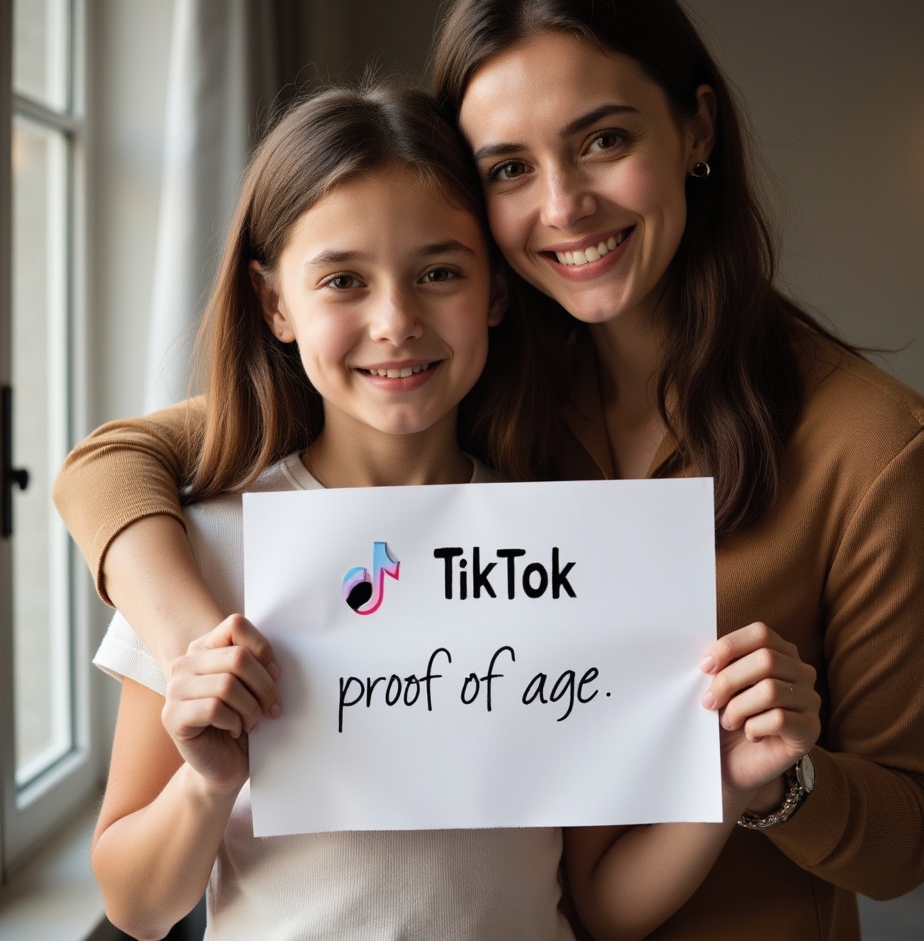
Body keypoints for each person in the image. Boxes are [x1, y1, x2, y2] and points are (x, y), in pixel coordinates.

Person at [53, 0, 924, 941]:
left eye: (604, 138)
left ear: (696, 124)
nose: (564, 206)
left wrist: (775, 781)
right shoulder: (467, 383)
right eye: (508, 169)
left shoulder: (870, 444)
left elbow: (905, 837)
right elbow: (117, 462)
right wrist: (205, 659)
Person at [84, 80, 816, 941]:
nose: (396, 321)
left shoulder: (569, 546)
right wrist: (206, 782)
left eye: (439, 273)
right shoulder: (205, 547)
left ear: (496, 293)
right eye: (343, 280)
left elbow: (603, 910)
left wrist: (725, 783)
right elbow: (134, 906)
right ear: (275, 303)